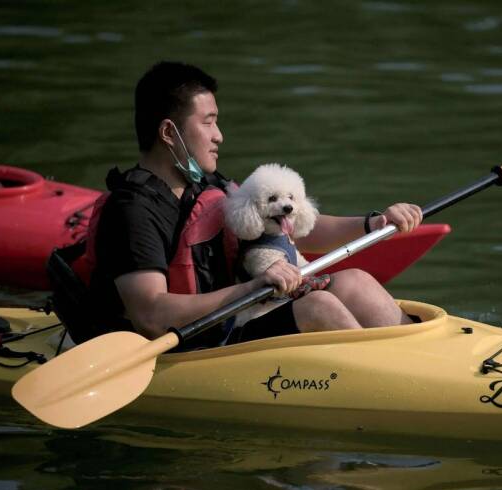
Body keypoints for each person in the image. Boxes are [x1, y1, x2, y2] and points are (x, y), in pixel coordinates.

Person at [87, 61, 422, 348]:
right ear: (168, 133)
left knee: (355, 281)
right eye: (208, 121)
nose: (219, 135)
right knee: (318, 305)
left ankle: (424, 362)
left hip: (240, 318)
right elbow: (150, 315)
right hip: (197, 346)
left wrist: (374, 224)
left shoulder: (207, 183)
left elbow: (291, 229)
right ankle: (398, 389)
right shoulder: (132, 212)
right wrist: (252, 287)